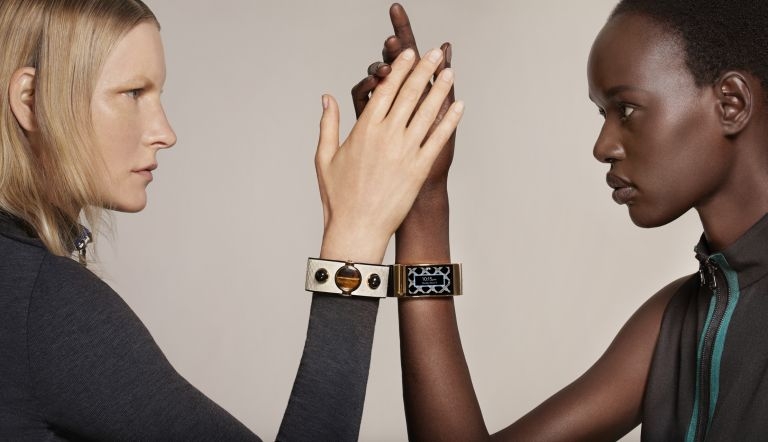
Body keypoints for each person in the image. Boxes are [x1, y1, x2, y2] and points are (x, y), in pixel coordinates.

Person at [0, 0, 463, 440]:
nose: (165, 132)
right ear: (31, 98)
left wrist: (423, 203)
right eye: (133, 93)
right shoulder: (43, 307)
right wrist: (353, 242)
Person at [354, 1, 768, 440]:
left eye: (626, 110)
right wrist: (423, 199)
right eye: (602, 114)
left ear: (731, 104)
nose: (602, 147)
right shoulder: (677, 320)